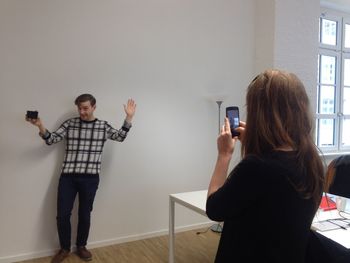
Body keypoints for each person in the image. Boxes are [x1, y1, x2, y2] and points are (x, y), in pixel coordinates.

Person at [206, 70, 324, 262]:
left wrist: (224, 155)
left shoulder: (256, 168)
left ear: (260, 114)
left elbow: (214, 208)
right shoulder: (311, 161)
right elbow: (269, 208)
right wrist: (255, 146)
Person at [26, 94, 136, 263]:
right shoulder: (70, 124)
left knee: (85, 214)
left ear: (94, 107)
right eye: (79, 108)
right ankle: (64, 248)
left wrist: (128, 117)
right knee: (62, 215)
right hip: (68, 178)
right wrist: (40, 125)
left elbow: (120, 137)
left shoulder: (103, 126)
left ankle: (81, 246)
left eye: (85, 108)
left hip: (91, 179)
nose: (82, 112)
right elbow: (52, 139)